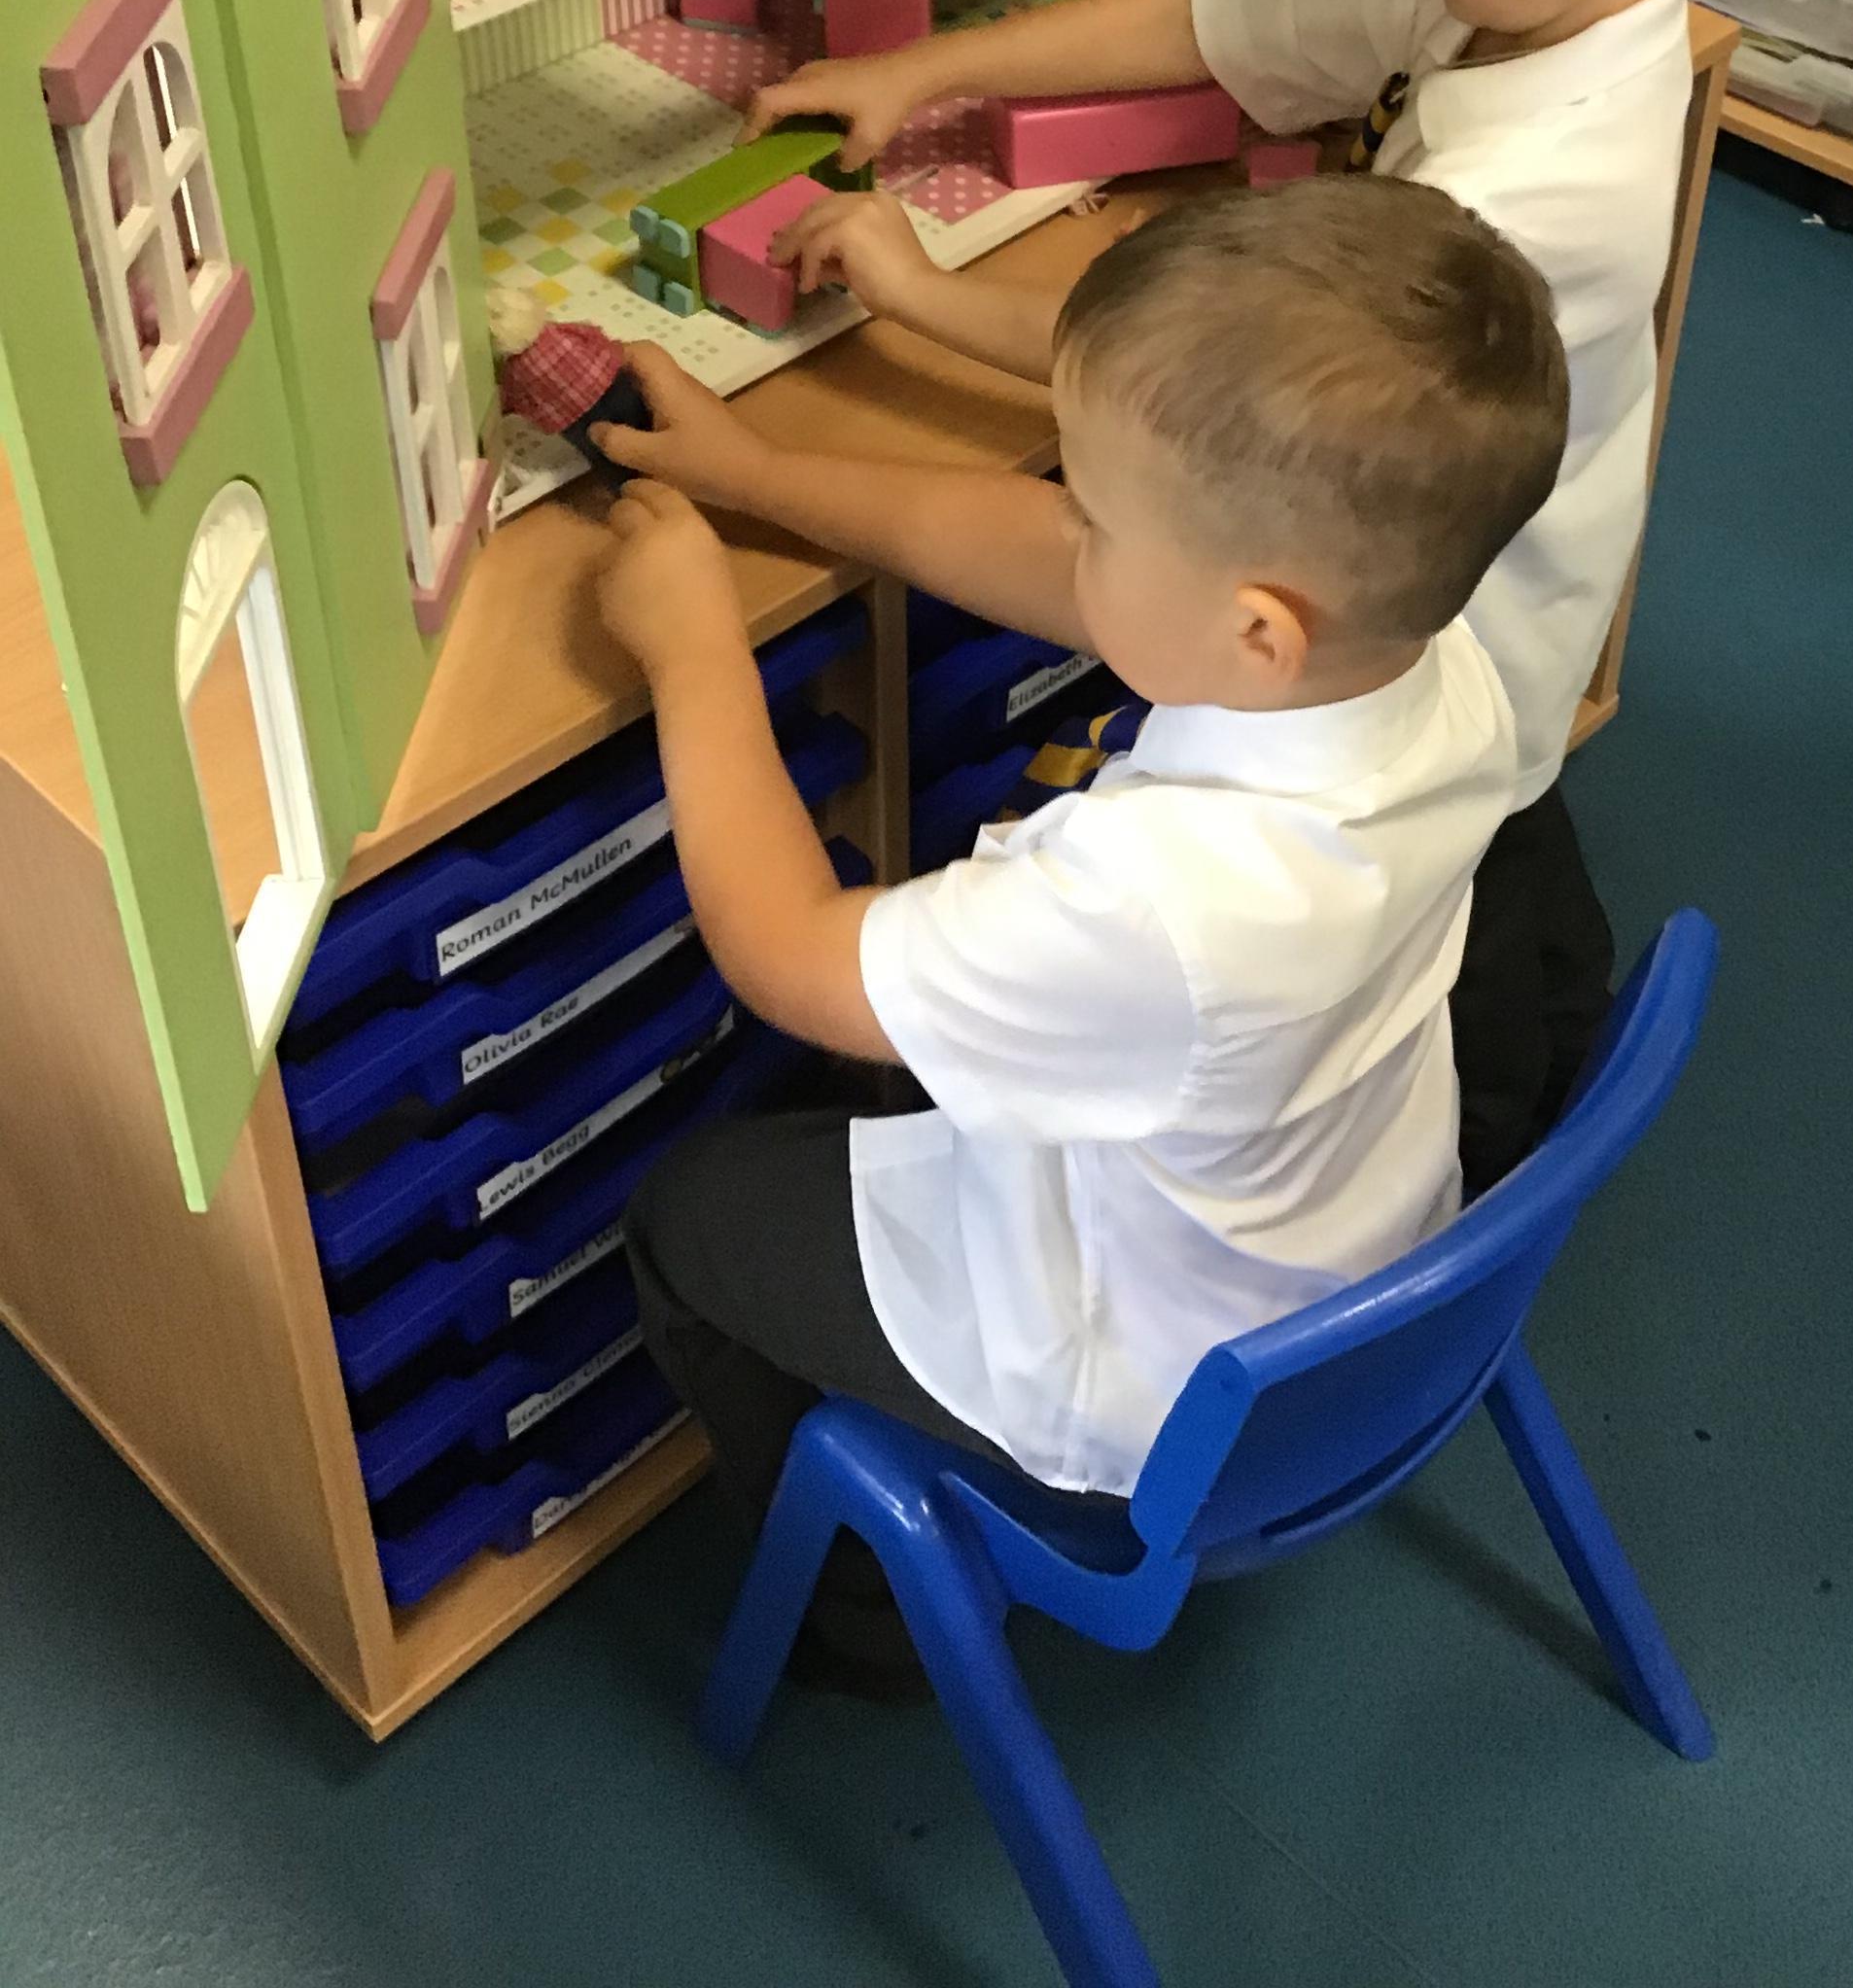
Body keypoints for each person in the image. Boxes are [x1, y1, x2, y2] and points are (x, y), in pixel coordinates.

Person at [728, 0, 1790, 1185]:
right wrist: (925, 72)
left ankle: (1474, 1083)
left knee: (1439, 904)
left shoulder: (1527, 201)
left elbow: (1183, 385)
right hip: (1446, 615)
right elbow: (1217, 24)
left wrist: (915, 297)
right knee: (1462, 865)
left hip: (1433, 668)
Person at [594, 178, 1569, 1692]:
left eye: (1095, 514)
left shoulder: (1158, 899)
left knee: (694, 1213)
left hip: (1154, 1389)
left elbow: (785, 953)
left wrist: (694, 648)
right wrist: (759, 474)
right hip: (1359, 1253)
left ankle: (872, 1615)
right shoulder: (1434, 673)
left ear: (1257, 630)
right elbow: (1057, 573)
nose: (1069, 530)